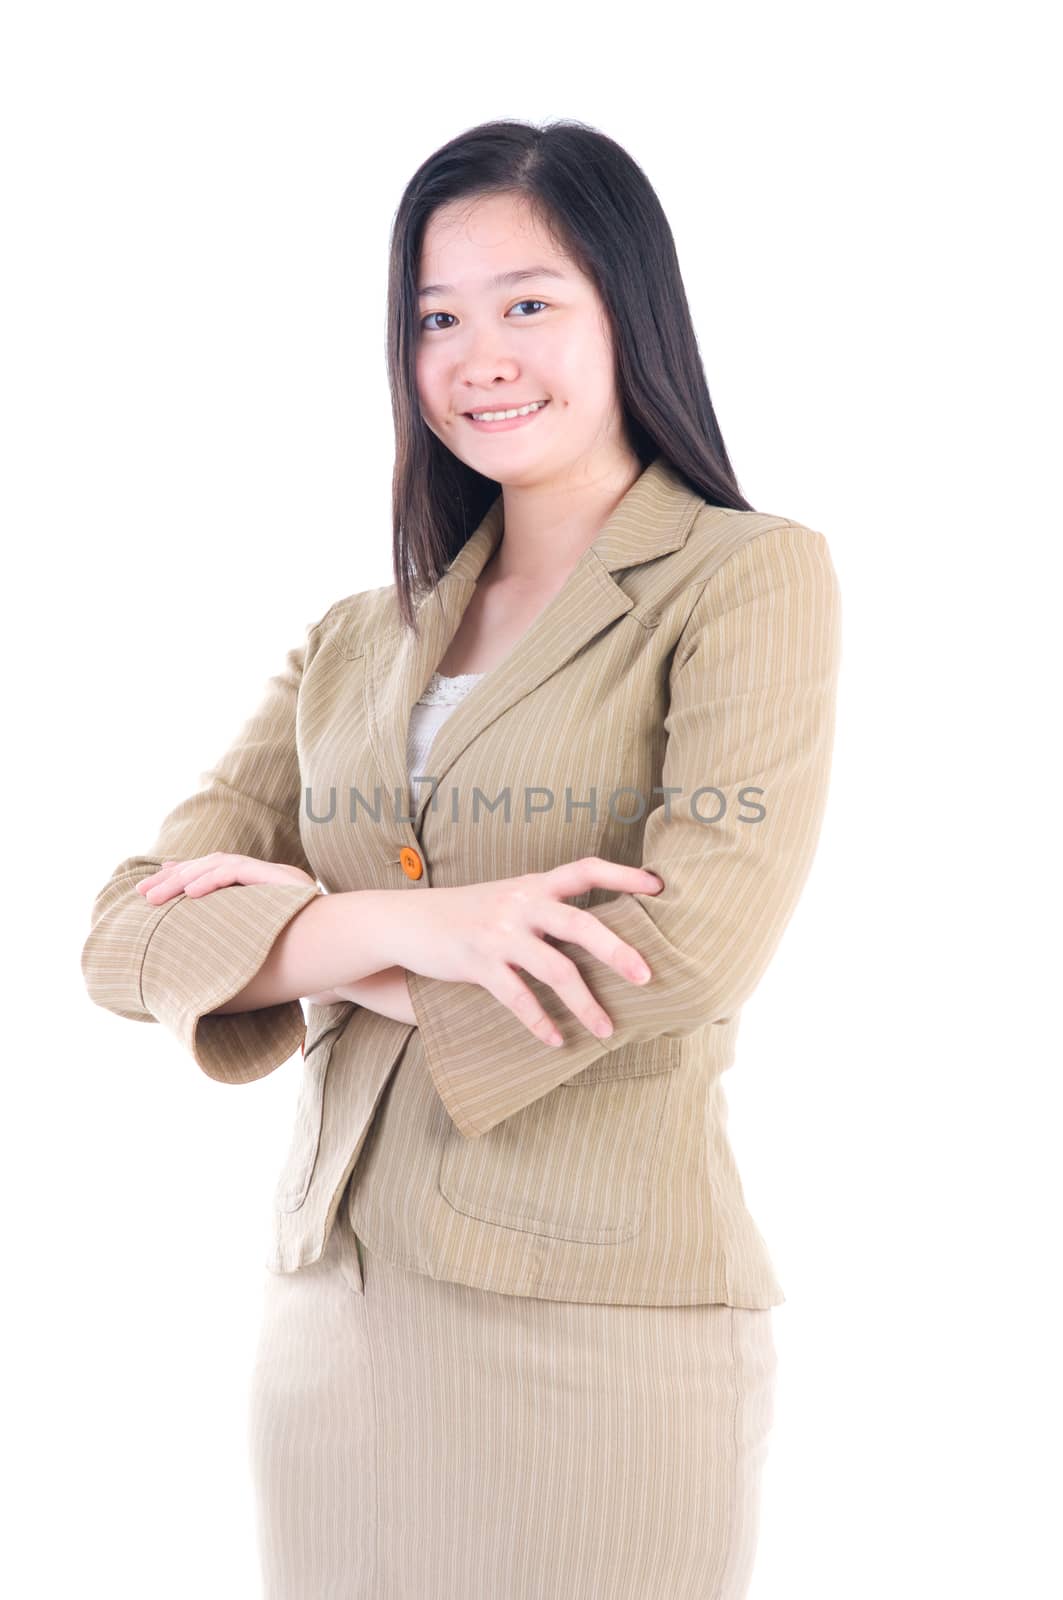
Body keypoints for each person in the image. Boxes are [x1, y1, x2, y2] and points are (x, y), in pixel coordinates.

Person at [81, 117, 842, 1599]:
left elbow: (690, 944)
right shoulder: (359, 638)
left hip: (598, 1320)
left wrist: (306, 941)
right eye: (436, 317)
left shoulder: (749, 577)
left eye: (526, 303)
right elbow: (126, 936)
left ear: (632, 308)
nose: (476, 354)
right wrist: (417, 928)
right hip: (333, 1320)